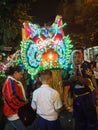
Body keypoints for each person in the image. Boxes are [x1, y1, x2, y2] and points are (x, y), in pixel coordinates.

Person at [69, 50, 97, 130]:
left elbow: (88, 81)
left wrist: (77, 76)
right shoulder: (68, 68)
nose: (76, 59)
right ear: (71, 58)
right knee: (79, 120)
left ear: (82, 58)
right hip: (77, 98)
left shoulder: (85, 66)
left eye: (79, 57)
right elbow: (66, 83)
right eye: (74, 57)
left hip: (87, 97)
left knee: (91, 119)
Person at [2, 65, 27, 130]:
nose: (21, 76)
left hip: (12, 111)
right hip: (12, 112)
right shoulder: (10, 82)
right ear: (15, 73)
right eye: (20, 74)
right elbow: (13, 97)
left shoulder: (11, 81)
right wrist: (23, 103)